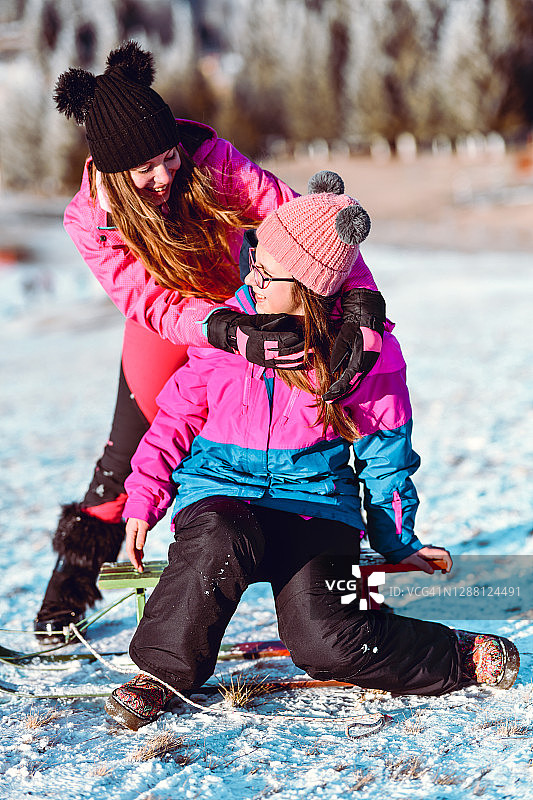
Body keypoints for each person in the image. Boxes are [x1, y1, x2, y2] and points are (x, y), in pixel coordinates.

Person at [103, 173, 519, 730]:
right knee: (217, 542)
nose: (250, 273)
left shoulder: (362, 357)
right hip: (222, 493)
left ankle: (456, 655)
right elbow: (177, 415)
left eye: (265, 270)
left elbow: (385, 452)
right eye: (254, 257)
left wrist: (396, 540)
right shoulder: (233, 328)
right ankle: (159, 675)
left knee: (328, 645)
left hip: (318, 505)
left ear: (308, 286)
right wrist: (144, 496)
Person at [35, 43, 386, 642]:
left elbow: (305, 223)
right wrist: (219, 328)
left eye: (168, 157)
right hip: (170, 325)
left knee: (326, 416)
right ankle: (70, 583)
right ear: (115, 174)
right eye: (144, 169)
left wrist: (361, 305)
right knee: (129, 451)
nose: (164, 175)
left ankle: (347, 569)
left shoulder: (213, 162)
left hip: (251, 304)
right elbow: (145, 300)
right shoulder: (89, 219)